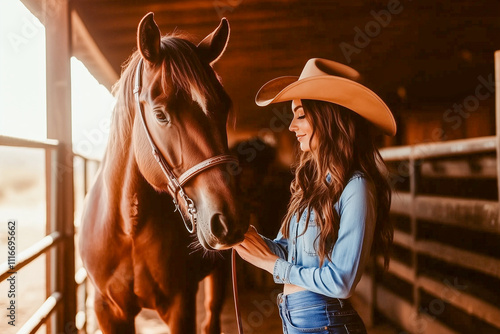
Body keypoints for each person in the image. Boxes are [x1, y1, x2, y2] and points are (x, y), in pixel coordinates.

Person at [233, 58, 397, 334]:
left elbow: (342, 282)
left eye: (300, 115)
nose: (291, 127)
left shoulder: (357, 187)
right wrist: (249, 240)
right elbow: (292, 254)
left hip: (326, 324)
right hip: (298, 320)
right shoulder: (312, 185)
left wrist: (271, 264)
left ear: (327, 115)